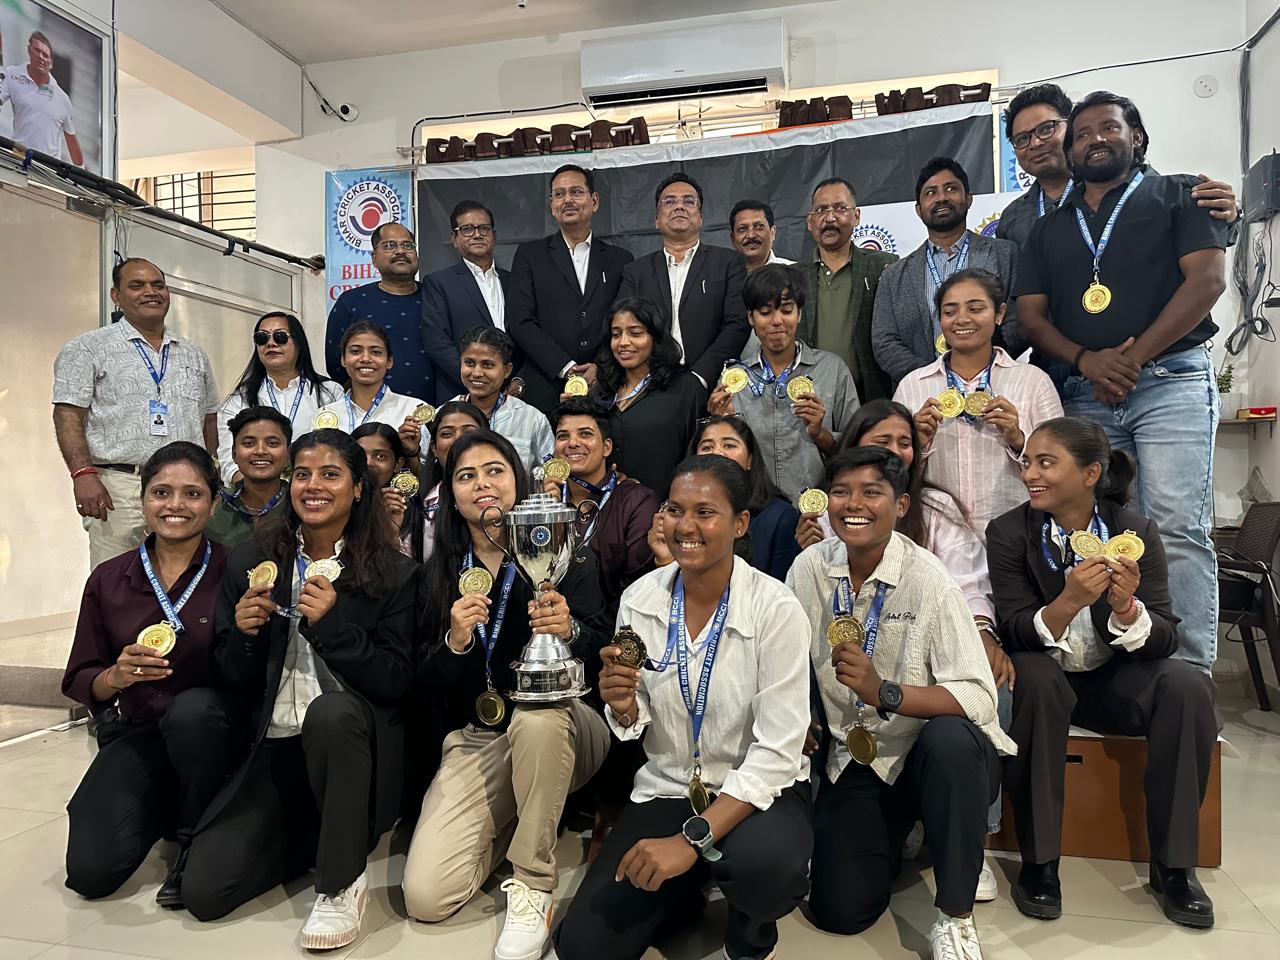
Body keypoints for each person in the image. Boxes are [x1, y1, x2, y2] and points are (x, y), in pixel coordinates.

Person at [555, 455, 813, 960]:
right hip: (670, 785)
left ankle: (750, 931)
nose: (685, 526)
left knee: (768, 869)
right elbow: (637, 721)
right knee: (583, 948)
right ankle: (686, 890)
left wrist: (689, 840)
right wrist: (623, 705)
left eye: (705, 512)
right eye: (674, 510)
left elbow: (777, 754)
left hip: (755, 792)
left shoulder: (775, 608)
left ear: (740, 524)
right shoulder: (640, 599)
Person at [1012, 91, 1228, 673]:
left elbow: (1207, 281)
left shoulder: (1180, 195)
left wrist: (1130, 361)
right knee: (1096, 528)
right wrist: (1087, 360)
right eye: (1082, 134)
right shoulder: (1048, 228)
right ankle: (1117, 669)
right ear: (1071, 150)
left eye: (1108, 128)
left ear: (1137, 137)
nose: (1094, 140)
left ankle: (1186, 677)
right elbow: (1031, 316)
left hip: (1170, 382)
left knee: (1176, 528)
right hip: (1086, 395)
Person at [182, 429, 416, 950]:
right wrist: (244, 637)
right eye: (303, 474)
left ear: (358, 488)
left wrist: (333, 628)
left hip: (351, 748)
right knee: (206, 892)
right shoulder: (250, 561)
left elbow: (396, 679)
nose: (313, 486)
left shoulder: (394, 573)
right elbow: (230, 675)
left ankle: (340, 882)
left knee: (331, 713)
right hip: (273, 746)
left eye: (331, 474)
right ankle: (318, 833)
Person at [986, 417, 1217, 929]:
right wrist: (1068, 601)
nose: (1029, 475)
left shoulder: (1136, 533)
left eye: (1046, 463)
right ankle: (1040, 863)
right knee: (1035, 679)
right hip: (1045, 675)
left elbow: (1165, 637)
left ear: (1090, 473)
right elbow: (1015, 630)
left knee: (1186, 685)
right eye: (1028, 463)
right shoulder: (1009, 531)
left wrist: (1127, 609)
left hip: (1112, 679)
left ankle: (1175, 866)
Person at [788, 446, 1015, 959]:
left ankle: (955, 916)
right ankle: (903, 832)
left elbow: (979, 697)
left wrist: (885, 693)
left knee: (951, 739)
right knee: (840, 911)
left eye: (872, 492)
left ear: (902, 504)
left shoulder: (928, 578)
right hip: (859, 758)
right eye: (841, 492)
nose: (854, 504)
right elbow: (785, 657)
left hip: (932, 756)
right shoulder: (807, 570)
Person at [402, 430, 611, 960]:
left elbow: (606, 651)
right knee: (426, 897)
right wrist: (454, 643)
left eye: (494, 470)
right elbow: (423, 686)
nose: (482, 484)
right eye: (466, 476)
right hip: (480, 737)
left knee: (538, 719)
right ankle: (529, 808)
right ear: (451, 496)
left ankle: (534, 883)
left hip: (567, 725)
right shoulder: (438, 574)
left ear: (517, 480)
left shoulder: (565, 553)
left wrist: (571, 632)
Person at [62, 442, 235, 908]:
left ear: (214, 504)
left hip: (216, 736)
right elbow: (82, 674)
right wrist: (115, 678)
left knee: (193, 712)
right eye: (161, 492)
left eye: (192, 494)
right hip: (141, 733)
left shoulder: (236, 570)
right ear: (142, 500)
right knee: (91, 873)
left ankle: (194, 833)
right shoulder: (109, 578)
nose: (175, 505)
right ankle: (165, 803)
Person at [53, 258, 220, 569]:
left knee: (185, 575)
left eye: (158, 285)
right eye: (137, 285)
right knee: (117, 578)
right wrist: (83, 475)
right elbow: (67, 415)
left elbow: (209, 417)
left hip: (184, 488)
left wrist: (211, 472)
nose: (150, 292)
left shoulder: (194, 354)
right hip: (119, 486)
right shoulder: (88, 348)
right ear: (116, 295)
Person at [894, 269, 1063, 534]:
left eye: (975, 309)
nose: (962, 319)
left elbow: (1061, 465)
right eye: (950, 311)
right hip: (937, 535)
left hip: (1017, 532)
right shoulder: (913, 385)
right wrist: (917, 444)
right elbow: (890, 471)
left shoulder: (1033, 381)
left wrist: (1019, 440)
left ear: (999, 313)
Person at [997, 83, 1240, 252]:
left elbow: (1204, 233)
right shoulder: (1012, 218)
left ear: (1072, 128)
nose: (1035, 143)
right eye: (1022, 139)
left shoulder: (1135, 184)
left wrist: (1228, 216)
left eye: (1046, 129)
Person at [709, 263, 860, 500]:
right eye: (765, 312)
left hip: (819, 508)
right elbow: (721, 459)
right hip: (755, 509)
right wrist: (721, 424)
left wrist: (820, 433)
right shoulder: (734, 380)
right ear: (750, 317)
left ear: (799, 314)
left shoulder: (832, 369)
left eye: (786, 310)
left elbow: (857, 449)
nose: (777, 321)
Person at [872, 158, 1022, 386]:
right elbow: (884, 342)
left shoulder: (1005, 254)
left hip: (995, 385)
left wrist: (980, 369)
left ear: (969, 198)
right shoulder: (894, 275)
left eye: (951, 189)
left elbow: (1018, 321)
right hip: (921, 393)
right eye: (930, 192)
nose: (941, 197)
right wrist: (932, 377)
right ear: (918, 209)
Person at [506, 164, 635, 411]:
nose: (567, 200)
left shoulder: (619, 260)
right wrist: (565, 367)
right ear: (551, 205)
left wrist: (600, 366)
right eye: (559, 194)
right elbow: (520, 321)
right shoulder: (530, 255)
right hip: (545, 385)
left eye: (576, 192)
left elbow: (624, 322)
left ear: (594, 201)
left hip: (606, 384)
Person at [618, 173, 749, 386]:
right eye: (669, 202)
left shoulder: (728, 263)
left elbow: (738, 324)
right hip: (651, 383)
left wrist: (701, 376)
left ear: (701, 218)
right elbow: (624, 328)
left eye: (689, 201)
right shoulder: (636, 272)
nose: (679, 206)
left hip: (712, 382)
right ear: (657, 220)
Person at [543, 397, 658, 617]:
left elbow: (638, 585)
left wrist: (585, 630)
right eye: (563, 436)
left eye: (585, 434)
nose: (573, 443)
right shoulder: (544, 503)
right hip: (549, 623)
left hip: (615, 626)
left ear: (607, 447)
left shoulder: (637, 502)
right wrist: (547, 514)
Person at [587, 298, 705, 499]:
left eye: (635, 333)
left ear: (655, 337)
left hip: (664, 508)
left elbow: (696, 458)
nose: (623, 342)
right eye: (616, 334)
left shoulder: (685, 388)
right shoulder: (599, 392)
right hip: (605, 509)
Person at [798, 176, 898, 402]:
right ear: (810, 221)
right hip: (810, 399)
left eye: (840, 208)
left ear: (856, 216)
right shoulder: (793, 277)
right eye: (821, 210)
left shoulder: (885, 266)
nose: (830, 218)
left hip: (873, 397)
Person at [217, 311, 340, 486]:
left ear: (298, 343)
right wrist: (263, 494)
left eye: (280, 336)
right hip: (258, 495)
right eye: (262, 338)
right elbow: (230, 463)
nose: (271, 343)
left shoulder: (330, 393)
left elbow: (341, 452)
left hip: (317, 489)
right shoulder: (238, 400)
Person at [325, 222, 434, 401]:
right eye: (390, 245)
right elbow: (336, 364)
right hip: (368, 411)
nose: (400, 251)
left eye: (407, 245)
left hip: (433, 409)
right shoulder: (350, 302)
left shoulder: (436, 298)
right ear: (374, 258)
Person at [687, 415, 801, 582]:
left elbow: (782, 589)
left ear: (750, 460)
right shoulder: (681, 516)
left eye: (729, 445)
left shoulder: (781, 517)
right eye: (707, 447)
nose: (717, 453)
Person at [423, 201, 512, 401]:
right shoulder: (439, 283)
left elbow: (525, 335)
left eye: (484, 228)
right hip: (460, 394)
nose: (477, 234)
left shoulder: (513, 281)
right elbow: (436, 341)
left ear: (494, 235)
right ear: (454, 239)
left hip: (511, 394)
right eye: (467, 229)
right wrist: (477, 378)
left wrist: (516, 380)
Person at [316, 320, 429, 461]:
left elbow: (431, 470)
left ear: (389, 361)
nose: (365, 358)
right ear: (343, 359)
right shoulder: (325, 415)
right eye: (355, 351)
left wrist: (411, 452)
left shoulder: (413, 410)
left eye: (376, 352)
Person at [449, 325, 554, 476]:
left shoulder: (532, 419)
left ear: (507, 370)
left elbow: (552, 472)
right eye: (469, 363)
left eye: (487, 365)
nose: (477, 373)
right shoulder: (445, 416)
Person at [207, 406, 292, 548]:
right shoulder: (213, 509)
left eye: (272, 443)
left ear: (288, 453)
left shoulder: (301, 505)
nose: (260, 451)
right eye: (248, 443)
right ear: (234, 454)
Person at [418, 400, 488, 559]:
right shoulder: (420, 503)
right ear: (434, 448)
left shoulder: (501, 492)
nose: (458, 440)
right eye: (446, 434)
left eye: (468, 432)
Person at [0, 32, 82, 165]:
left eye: (45, 55)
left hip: (48, 168)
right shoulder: (11, 74)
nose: (40, 57)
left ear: (51, 63)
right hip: (18, 159)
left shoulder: (62, 98)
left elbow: (71, 138)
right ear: (29, 49)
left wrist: (80, 171)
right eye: (37, 50)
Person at [351, 422, 424, 560]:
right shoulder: (337, 504)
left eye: (380, 456)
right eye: (360, 455)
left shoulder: (409, 511)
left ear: (398, 464)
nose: (368, 463)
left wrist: (391, 533)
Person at [730, 198, 793, 273]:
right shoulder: (721, 276)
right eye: (742, 229)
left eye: (759, 227)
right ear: (733, 238)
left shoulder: (794, 273)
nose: (751, 235)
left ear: (772, 233)